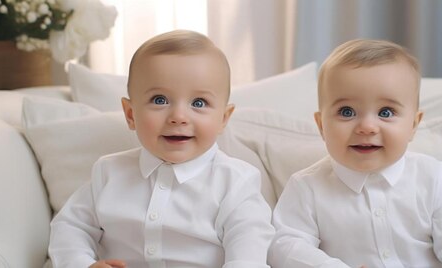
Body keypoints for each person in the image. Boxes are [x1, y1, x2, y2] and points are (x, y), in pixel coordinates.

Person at [49, 30, 275, 268]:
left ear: (223, 119)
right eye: (160, 100)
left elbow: (248, 255)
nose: (178, 117)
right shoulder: (108, 172)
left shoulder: (236, 182)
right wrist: (82, 264)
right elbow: (70, 227)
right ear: (130, 114)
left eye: (199, 103)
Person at [268, 39, 442, 268]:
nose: (367, 127)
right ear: (321, 126)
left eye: (386, 112)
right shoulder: (307, 187)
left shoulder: (433, 178)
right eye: (347, 111)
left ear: (413, 125)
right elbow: (286, 245)